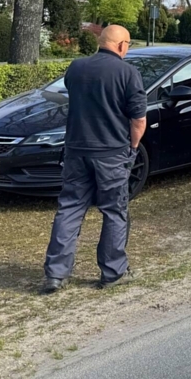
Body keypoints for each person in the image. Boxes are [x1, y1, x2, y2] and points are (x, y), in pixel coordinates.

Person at [41, 24, 147, 293]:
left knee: (70, 208)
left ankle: (55, 274)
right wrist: (132, 149)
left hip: (76, 151)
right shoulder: (128, 73)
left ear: (101, 42)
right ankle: (112, 271)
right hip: (111, 154)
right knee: (113, 211)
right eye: (128, 45)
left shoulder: (76, 68)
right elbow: (138, 120)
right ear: (122, 45)